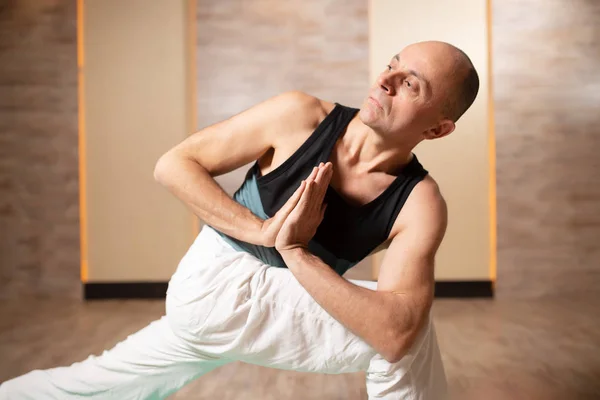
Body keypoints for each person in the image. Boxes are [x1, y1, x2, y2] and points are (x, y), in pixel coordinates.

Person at [0, 40, 479, 399]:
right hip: (214, 283)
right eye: (392, 65)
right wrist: (265, 233)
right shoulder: (301, 116)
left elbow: (394, 328)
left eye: (410, 84)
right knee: (410, 337)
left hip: (260, 303)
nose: (385, 81)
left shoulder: (420, 202)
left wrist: (292, 252)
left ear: (437, 129)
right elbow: (173, 164)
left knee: (91, 387)